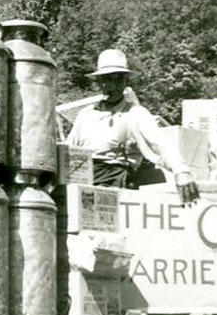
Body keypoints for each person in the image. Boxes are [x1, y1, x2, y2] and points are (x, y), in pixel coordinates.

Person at [66, 48, 201, 205]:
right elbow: (69, 150)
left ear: (126, 82)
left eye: (118, 80)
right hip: (83, 179)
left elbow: (161, 144)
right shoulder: (86, 114)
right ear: (99, 83)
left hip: (117, 181)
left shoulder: (136, 113)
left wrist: (181, 171)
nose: (113, 85)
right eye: (107, 80)